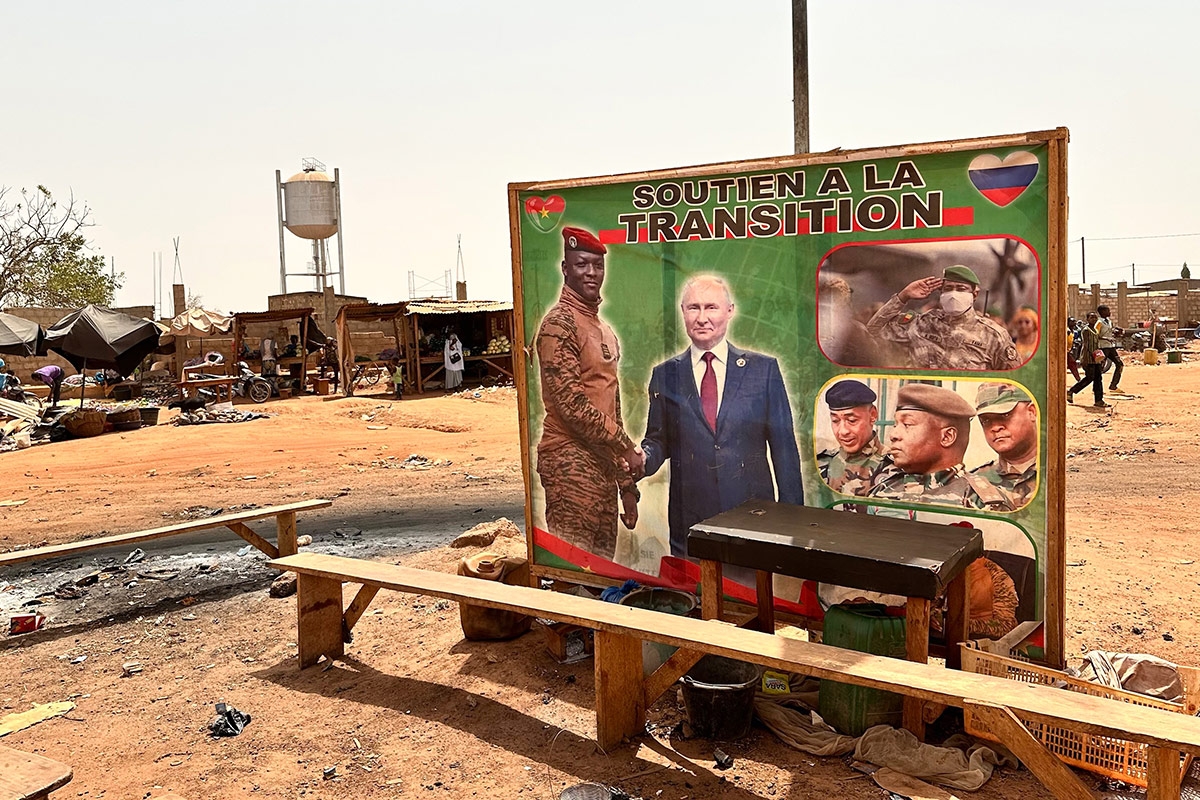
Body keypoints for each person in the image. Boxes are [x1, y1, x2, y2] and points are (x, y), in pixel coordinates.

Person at [640, 274, 803, 557]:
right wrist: (641, 458)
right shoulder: (665, 374)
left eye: (711, 307)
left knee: (752, 599)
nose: (702, 317)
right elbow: (658, 440)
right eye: (694, 308)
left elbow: (784, 450)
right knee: (697, 599)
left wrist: (792, 521)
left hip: (753, 522)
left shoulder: (763, 371)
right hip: (690, 524)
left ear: (729, 311)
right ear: (683, 312)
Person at [535, 226, 643, 559]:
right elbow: (573, 406)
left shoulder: (603, 329)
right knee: (571, 571)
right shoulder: (559, 325)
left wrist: (626, 486)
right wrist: (626, 446)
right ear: (566, 269)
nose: (591, 273)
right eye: (582, 264)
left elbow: (612, 407)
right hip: (568, 462)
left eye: (597, 265)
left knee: (600, 575)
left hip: (601, 467)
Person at [868, 383, 1012, 511]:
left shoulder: (981, 502)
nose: (893, 434)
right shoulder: (882, 490)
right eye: (895, 425)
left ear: (947, 437)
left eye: (907, 425)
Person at [866, 265, 1022, 370]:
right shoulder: (922, 323)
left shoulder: (994, 335)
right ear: (941, 293)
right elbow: (872, 331)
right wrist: (903, 296)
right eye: (948, 289)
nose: (953, 294)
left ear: (975, 295)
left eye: (961, 289)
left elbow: (1013, 375)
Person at [817, 379, 890, 497]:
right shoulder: (822, 464)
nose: (843, 431)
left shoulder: (894, 468)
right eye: (835, 421)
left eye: (852, 420)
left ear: (873, 415)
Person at [971, 382, 1038, 509]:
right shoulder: (975, 483)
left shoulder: (1055, 471)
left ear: (1031, 412)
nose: (995, 427)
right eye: (986, 420)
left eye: (1005, 415)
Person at [1067, 311, 1107, 407]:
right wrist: (1097, 355)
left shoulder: (1095, 330)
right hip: (1088, 358)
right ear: (1087, 319)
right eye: (1091, 318)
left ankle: (1099, 400)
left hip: (1096, 358)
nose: (1094, 319)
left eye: (1095, 317)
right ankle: (1071, 391)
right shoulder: (1086, 330)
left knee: (1098, 378)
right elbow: (1088, 345)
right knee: (1090, 377)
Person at [1095, 304, 1124, 392]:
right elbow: (1095, 334)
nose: (1110, 312)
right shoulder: (1099, 322)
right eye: (1107, 310)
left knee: (1120, 364)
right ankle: (1097, 388)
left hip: (1110, 347)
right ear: (1102, 312)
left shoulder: (1109, 321)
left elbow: (1109, 332)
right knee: (1100, 368)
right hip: (1103, 347)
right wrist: (1106, 338)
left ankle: (1113, 385)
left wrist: (1115, 333)